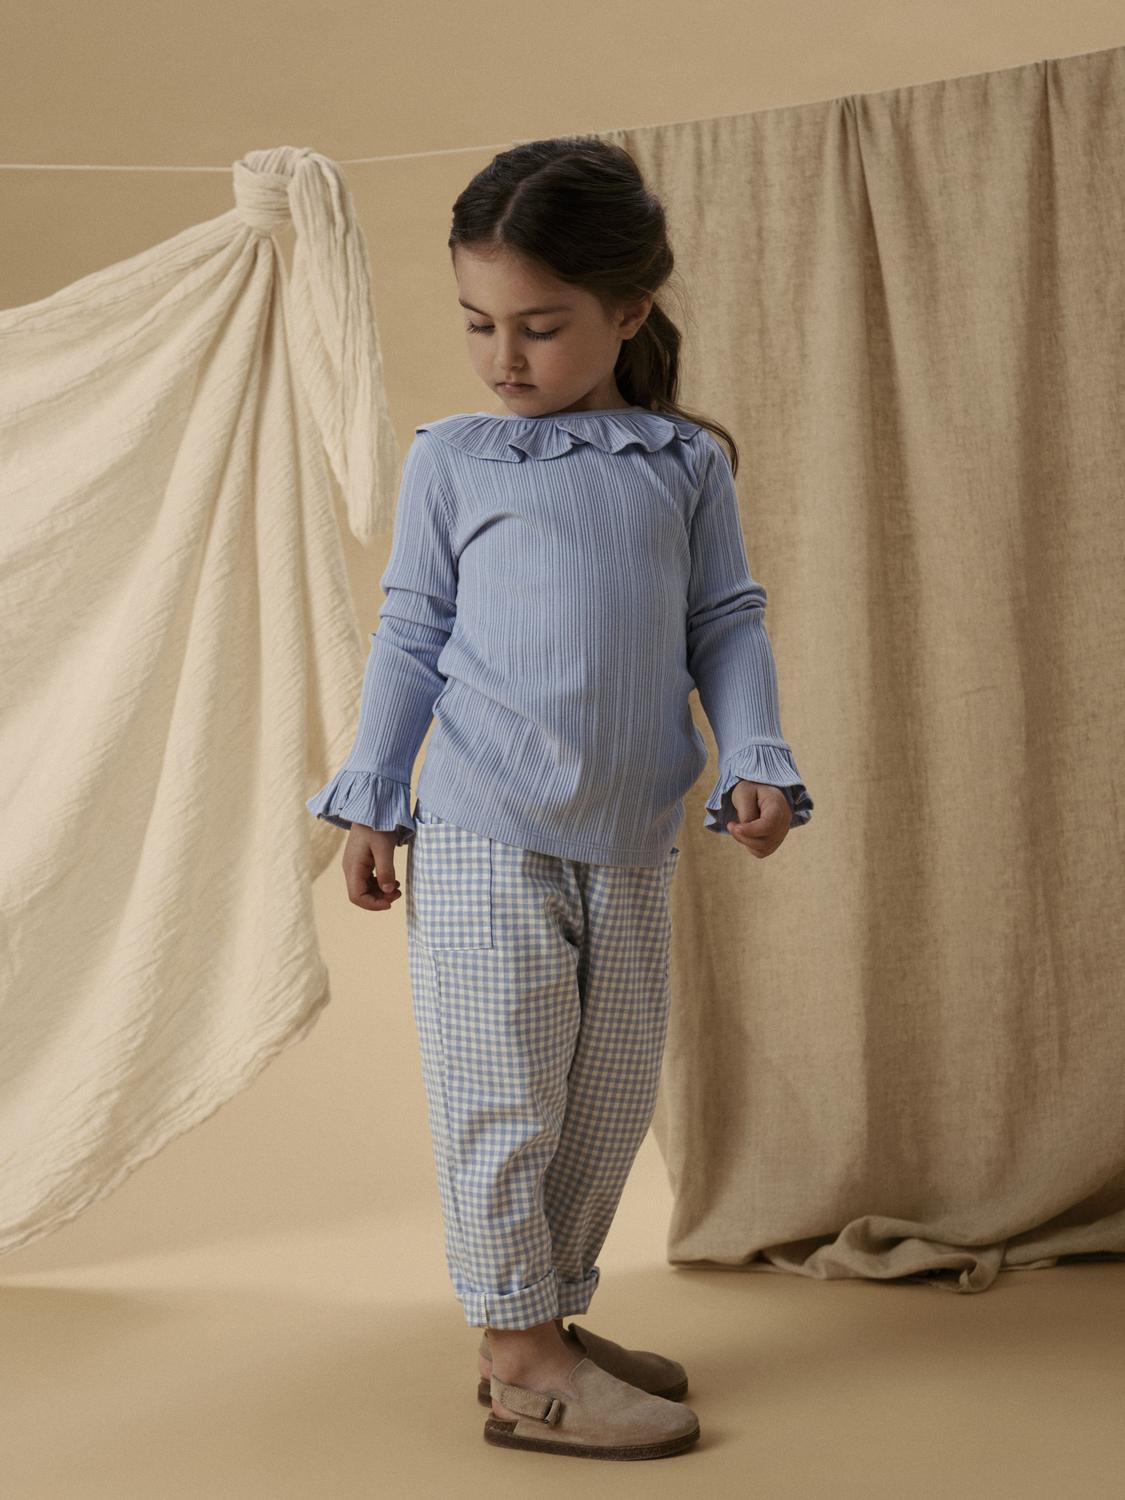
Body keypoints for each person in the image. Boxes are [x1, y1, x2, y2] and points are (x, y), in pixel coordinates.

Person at [307, 135, 813, 1460]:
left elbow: (725, 620)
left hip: (631, 837)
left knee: (606, 1097)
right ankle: (520, 1360)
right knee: (505, 1097)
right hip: (486, 831)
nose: (504, 357)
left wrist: (756, 753)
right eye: (478, 324)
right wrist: (375, 797)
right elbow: (410, 630)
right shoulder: (454, 458)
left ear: (628, 312)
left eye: (539, 327)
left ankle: (546, 1315)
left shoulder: (682, 464)